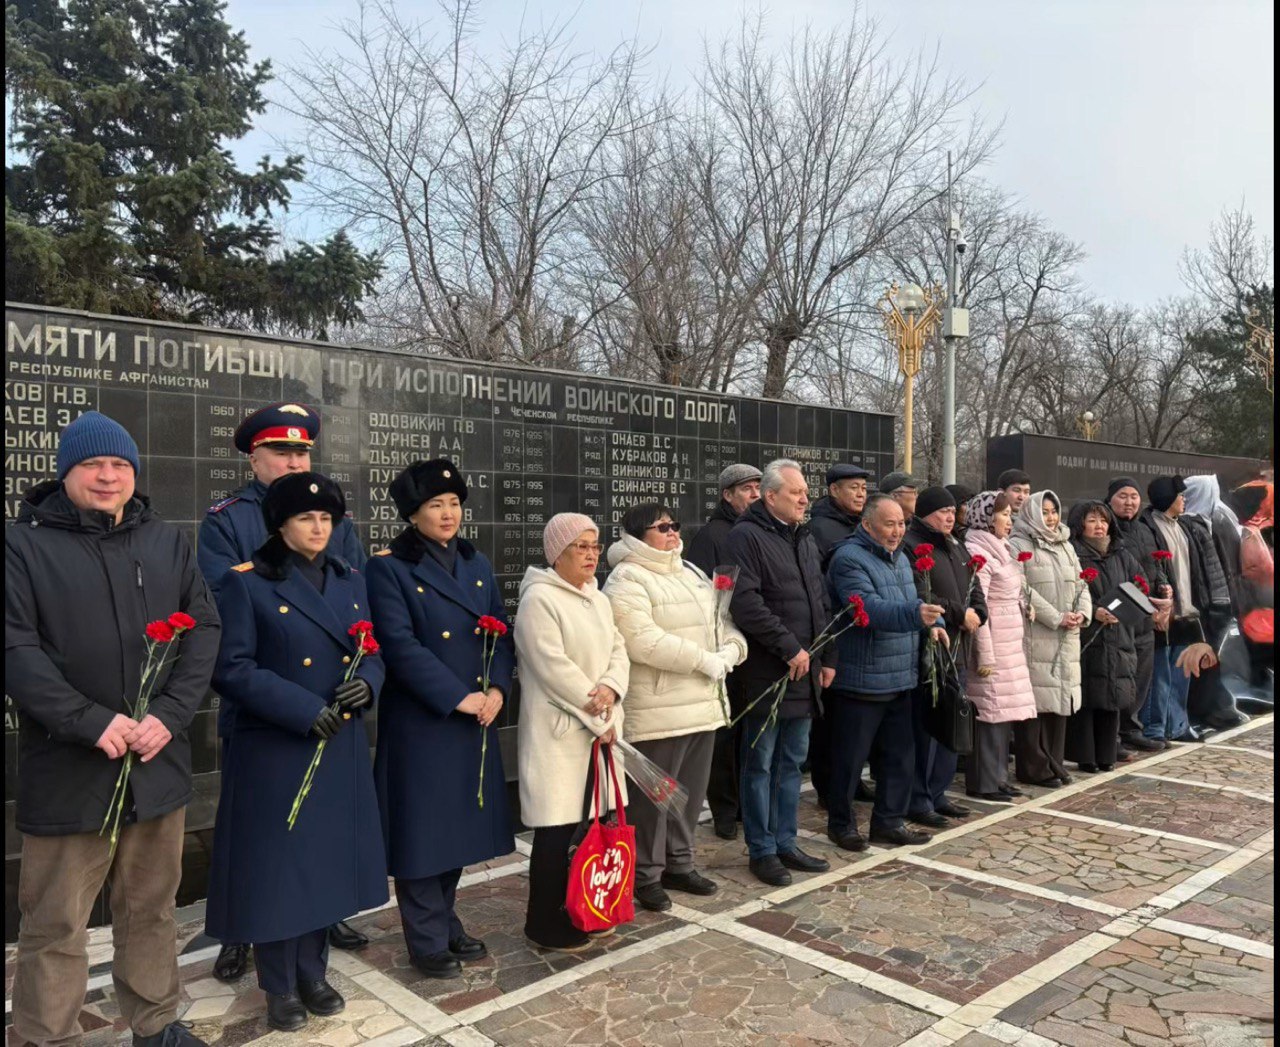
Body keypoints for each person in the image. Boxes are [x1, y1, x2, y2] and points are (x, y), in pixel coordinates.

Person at [7, 412, 221, 1047]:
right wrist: (90, 721)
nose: (108, 477)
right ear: (66, 472)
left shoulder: (165, 541)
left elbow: (203, 628)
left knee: (151, 909)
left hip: (156, 763)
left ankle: (156, 1023)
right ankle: (49, 1036)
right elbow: (15, 648)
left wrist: (170, 716)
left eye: (121, 466)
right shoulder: (23, 545)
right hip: (71, 768)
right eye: (93, 465)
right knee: (55, 923)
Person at [205, 473, 387, 1031]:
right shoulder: (248, 583)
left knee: (323, 863)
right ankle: (279, 984)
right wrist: (301, 709)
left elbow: (371, 649)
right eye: (306, 518)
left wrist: (370, 683)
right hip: (279, 746)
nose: (317, 528)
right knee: (279, 871)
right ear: (280, 524)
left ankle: (314, 972)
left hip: (338, 744)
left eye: (327, 519)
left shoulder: (350, 580)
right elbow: (230, 669)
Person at [365, 460, 514, 980]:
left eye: (454, 504)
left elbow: (500, 632)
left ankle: (445, 919)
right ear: (413, 514)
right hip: (426, 720)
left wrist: (496, 687)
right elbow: (399, 646)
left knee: (457, 829)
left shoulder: (475, 562)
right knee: (423, 833)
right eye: (435, 505)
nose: (448, 514)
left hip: (475, 716)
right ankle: (426, 939)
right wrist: (458, 697)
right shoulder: (388, 568)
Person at [603, 503, 747, 911]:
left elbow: (722, 621)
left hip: (702, 704)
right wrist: (704, 660)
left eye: (674, 524)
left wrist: (734, 649)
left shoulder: (691, 572)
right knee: (653, 800)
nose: (671, 532)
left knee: (689, 794)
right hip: (659, 709)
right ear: (635, 534)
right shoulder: (627, 577)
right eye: (661, 527)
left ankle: (680, 864)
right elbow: (641, 640)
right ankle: (646, 873)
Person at [515, 513, 630, 952]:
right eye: (579, 546)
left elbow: (618, 650)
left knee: (596, 825)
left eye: (594, 545)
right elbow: (553, 669)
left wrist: (612, 688)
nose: (590, 554)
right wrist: (600, 712)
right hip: (562, 734)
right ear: (556, 553)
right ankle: (543, 920)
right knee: (556, 830)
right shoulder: (539, 600)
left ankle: (587, 907)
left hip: (600, 727)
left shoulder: (597, 598)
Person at [727, 459, 834, 886]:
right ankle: (763, 849)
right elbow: (746, 602)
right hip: (768, 672)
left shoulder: (803, 537)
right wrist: (789, 647)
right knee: (761, 763)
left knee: (792, 762)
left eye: (805, 492)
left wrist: (827, 658)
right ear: (770, 497)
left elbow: (819, 601)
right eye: (796, 493)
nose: (805, 499)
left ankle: (786, 841)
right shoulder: (745, 537)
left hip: (806, 671)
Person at [826, 494, 947, 850]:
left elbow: (914, 601)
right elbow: (869, 609)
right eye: (889, 524)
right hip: (863, 677)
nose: (897, 532)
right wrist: (916, 615)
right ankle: (841, 823)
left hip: (901, 675)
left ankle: (889, 822)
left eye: (902, 524)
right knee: (850, 759)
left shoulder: (900, 557)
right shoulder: (848, 559)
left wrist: (933, 623)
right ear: (867, 525)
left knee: (899, 756)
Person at [687, 463, 761, 840]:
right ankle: (725, 809)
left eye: (758, 488)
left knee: (749, 734)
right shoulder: (713, 536)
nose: (755, 494)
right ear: (727, 495)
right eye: (746, 488)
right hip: (723, 649)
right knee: (724, 737)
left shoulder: (759, 532)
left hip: (754, 648)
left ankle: (746, 805)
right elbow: (709, 595)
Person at [903, 486, 985, 826]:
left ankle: (938, 792)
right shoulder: (911, 545)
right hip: (930, 648)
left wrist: (979, 612)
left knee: (952, 722)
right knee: (929, 728)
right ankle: (919, 799)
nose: (950, 517)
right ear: (924, 513)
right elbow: (921, 592)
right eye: (942, 512)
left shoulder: (956, 544)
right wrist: (956, 613)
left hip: (958, 648)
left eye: (953, 511)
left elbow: (974, 586)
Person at [1010, 491, 1091, 787]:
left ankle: (1054, 764)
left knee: (1060, 701)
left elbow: (1082, 582)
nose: (1051, 517)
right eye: (1044, 512)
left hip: (1067, 634)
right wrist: (1056, 616)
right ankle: (1034, 767)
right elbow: (1021, 589)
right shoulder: (1018, 544)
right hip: (1037, 633)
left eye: (1054, 511)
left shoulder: (1066, 545)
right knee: (1036, 704)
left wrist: (1082, 613)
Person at [962, 491, 1038, 801]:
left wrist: (1024, 603)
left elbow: (1009, 589)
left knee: (1003, 714)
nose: (1009, 520)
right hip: (992, 644)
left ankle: (998, 777)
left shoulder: (1001, 548)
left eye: (1009, 514)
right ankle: (983, 781)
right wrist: (985, 654)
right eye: (1003, 514)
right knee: (988, 712)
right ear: (986, 517)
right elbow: (979, 606)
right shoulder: (977, 549)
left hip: (1010, 641)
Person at [805, 463, 872, 810]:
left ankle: (851, 781)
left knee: (850, 724)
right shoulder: (821, 527)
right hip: (834, 632)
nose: (861, 493)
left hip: (856, 636)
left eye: (863, 487)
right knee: (829, 722)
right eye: (853, 487)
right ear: (833, 490)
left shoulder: (857, 525)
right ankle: (827, 787)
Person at [1067, 501, 1146, 772]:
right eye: (1092, 520)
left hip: (1118, 632)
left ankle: (1107, 754)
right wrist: (1094, 611)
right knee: (1088, 694)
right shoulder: (1073, 554)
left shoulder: (1121, 553)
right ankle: (1086, 756)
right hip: (1089, 633)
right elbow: (1069, 593)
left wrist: (1125, 608)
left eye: (1103, 521)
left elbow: (1139, 585)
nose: (1099, 526)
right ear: (1080, 524)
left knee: (1112, 694)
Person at [1139, 476, 1204, 744]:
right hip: (1165, 613)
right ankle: (1157, 727)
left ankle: (1178, 724)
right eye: (1180, 495)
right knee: (1161, 677)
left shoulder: (1183, 527)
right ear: (1168, 498)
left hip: (1187, 612)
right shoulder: (1150, 528)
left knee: (1182, 675)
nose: (1184, 500)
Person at [1106, 478, 1169, 753]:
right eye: (1122, 496)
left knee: (1141, 674)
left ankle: (1132, 727)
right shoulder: (1106, 527)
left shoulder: (1145, 529)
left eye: (1134, 496)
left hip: (1148, 616)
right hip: (1121, 613)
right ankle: (1114, 733)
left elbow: (1156, 563)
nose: (1129, 502)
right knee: (1118, 673)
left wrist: (1163, 589)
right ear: (1110, 499)